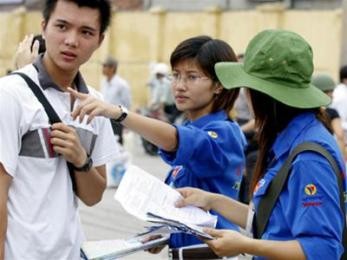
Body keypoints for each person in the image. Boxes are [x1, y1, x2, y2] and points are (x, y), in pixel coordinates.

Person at [174, 29, 346, 259]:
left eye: (247, 88)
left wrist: (247, 245)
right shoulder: (290, 141)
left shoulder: (308, 159)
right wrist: (211, 200)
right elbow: (271, 218)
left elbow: (323, 248)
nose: (244, 96)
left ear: (265, 95)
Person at [68, 35, 247, 255]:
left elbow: (177, 139)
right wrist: (162, 233)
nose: (179, 86)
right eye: (176, 75)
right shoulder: (194, 128)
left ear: (219, 85)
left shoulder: (224, 132)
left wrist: (117, 112)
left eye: (192, 77)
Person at [0, 1, 118, 259]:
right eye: (62, 26)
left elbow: (94, 196)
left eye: (86, 32)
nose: (72, 40)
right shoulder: (10, 94)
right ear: (44, 27)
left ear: (99, 40)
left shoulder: (94, 104)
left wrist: (80, 158)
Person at [312, 73, 347, 160]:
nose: (332, 95)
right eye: (328, 91)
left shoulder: (308, 112)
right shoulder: (331, 112)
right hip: (328, 152)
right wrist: (342, 160)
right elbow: (340, 135)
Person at [101, 56, 131, 145]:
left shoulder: (121, 84)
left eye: (104, 66)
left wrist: (124, 120)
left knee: (117, 144)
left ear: (112, 68)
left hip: (116, 119)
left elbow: (127, 103)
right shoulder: (104, 82)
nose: (102, 68)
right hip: (105, 118)